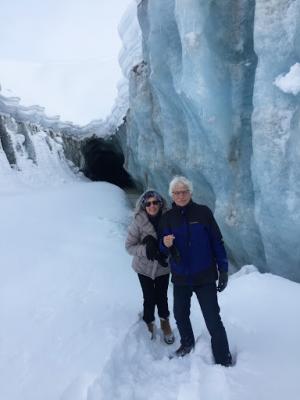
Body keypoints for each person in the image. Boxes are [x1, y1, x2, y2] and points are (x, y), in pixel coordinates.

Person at [160, 176, 232, 365]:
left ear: (190, 193)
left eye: (184, 192)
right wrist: (164, 244)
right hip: (181, 276)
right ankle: (187, 343)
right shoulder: (167, 218)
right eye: (177, 193)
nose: (181, 196)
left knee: (212, 318)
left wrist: (223, 270)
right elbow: (161, 249)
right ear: (172, 195)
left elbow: (217, 242)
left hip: (205, 275)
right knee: (180, 314)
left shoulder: (203, 213)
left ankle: (223, 356)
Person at [125, 190, 175, 344]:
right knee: (149, 297)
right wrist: (145, 250)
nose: (152, 206)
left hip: (163, 267)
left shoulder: (169, 219)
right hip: (143, 268)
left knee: (162, 296)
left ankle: (165, 322)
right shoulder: (138, 222)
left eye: (155, 202)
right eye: (148, 203)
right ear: (144, 205)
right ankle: (149, 321)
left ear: (161, 203)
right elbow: (129, 247)